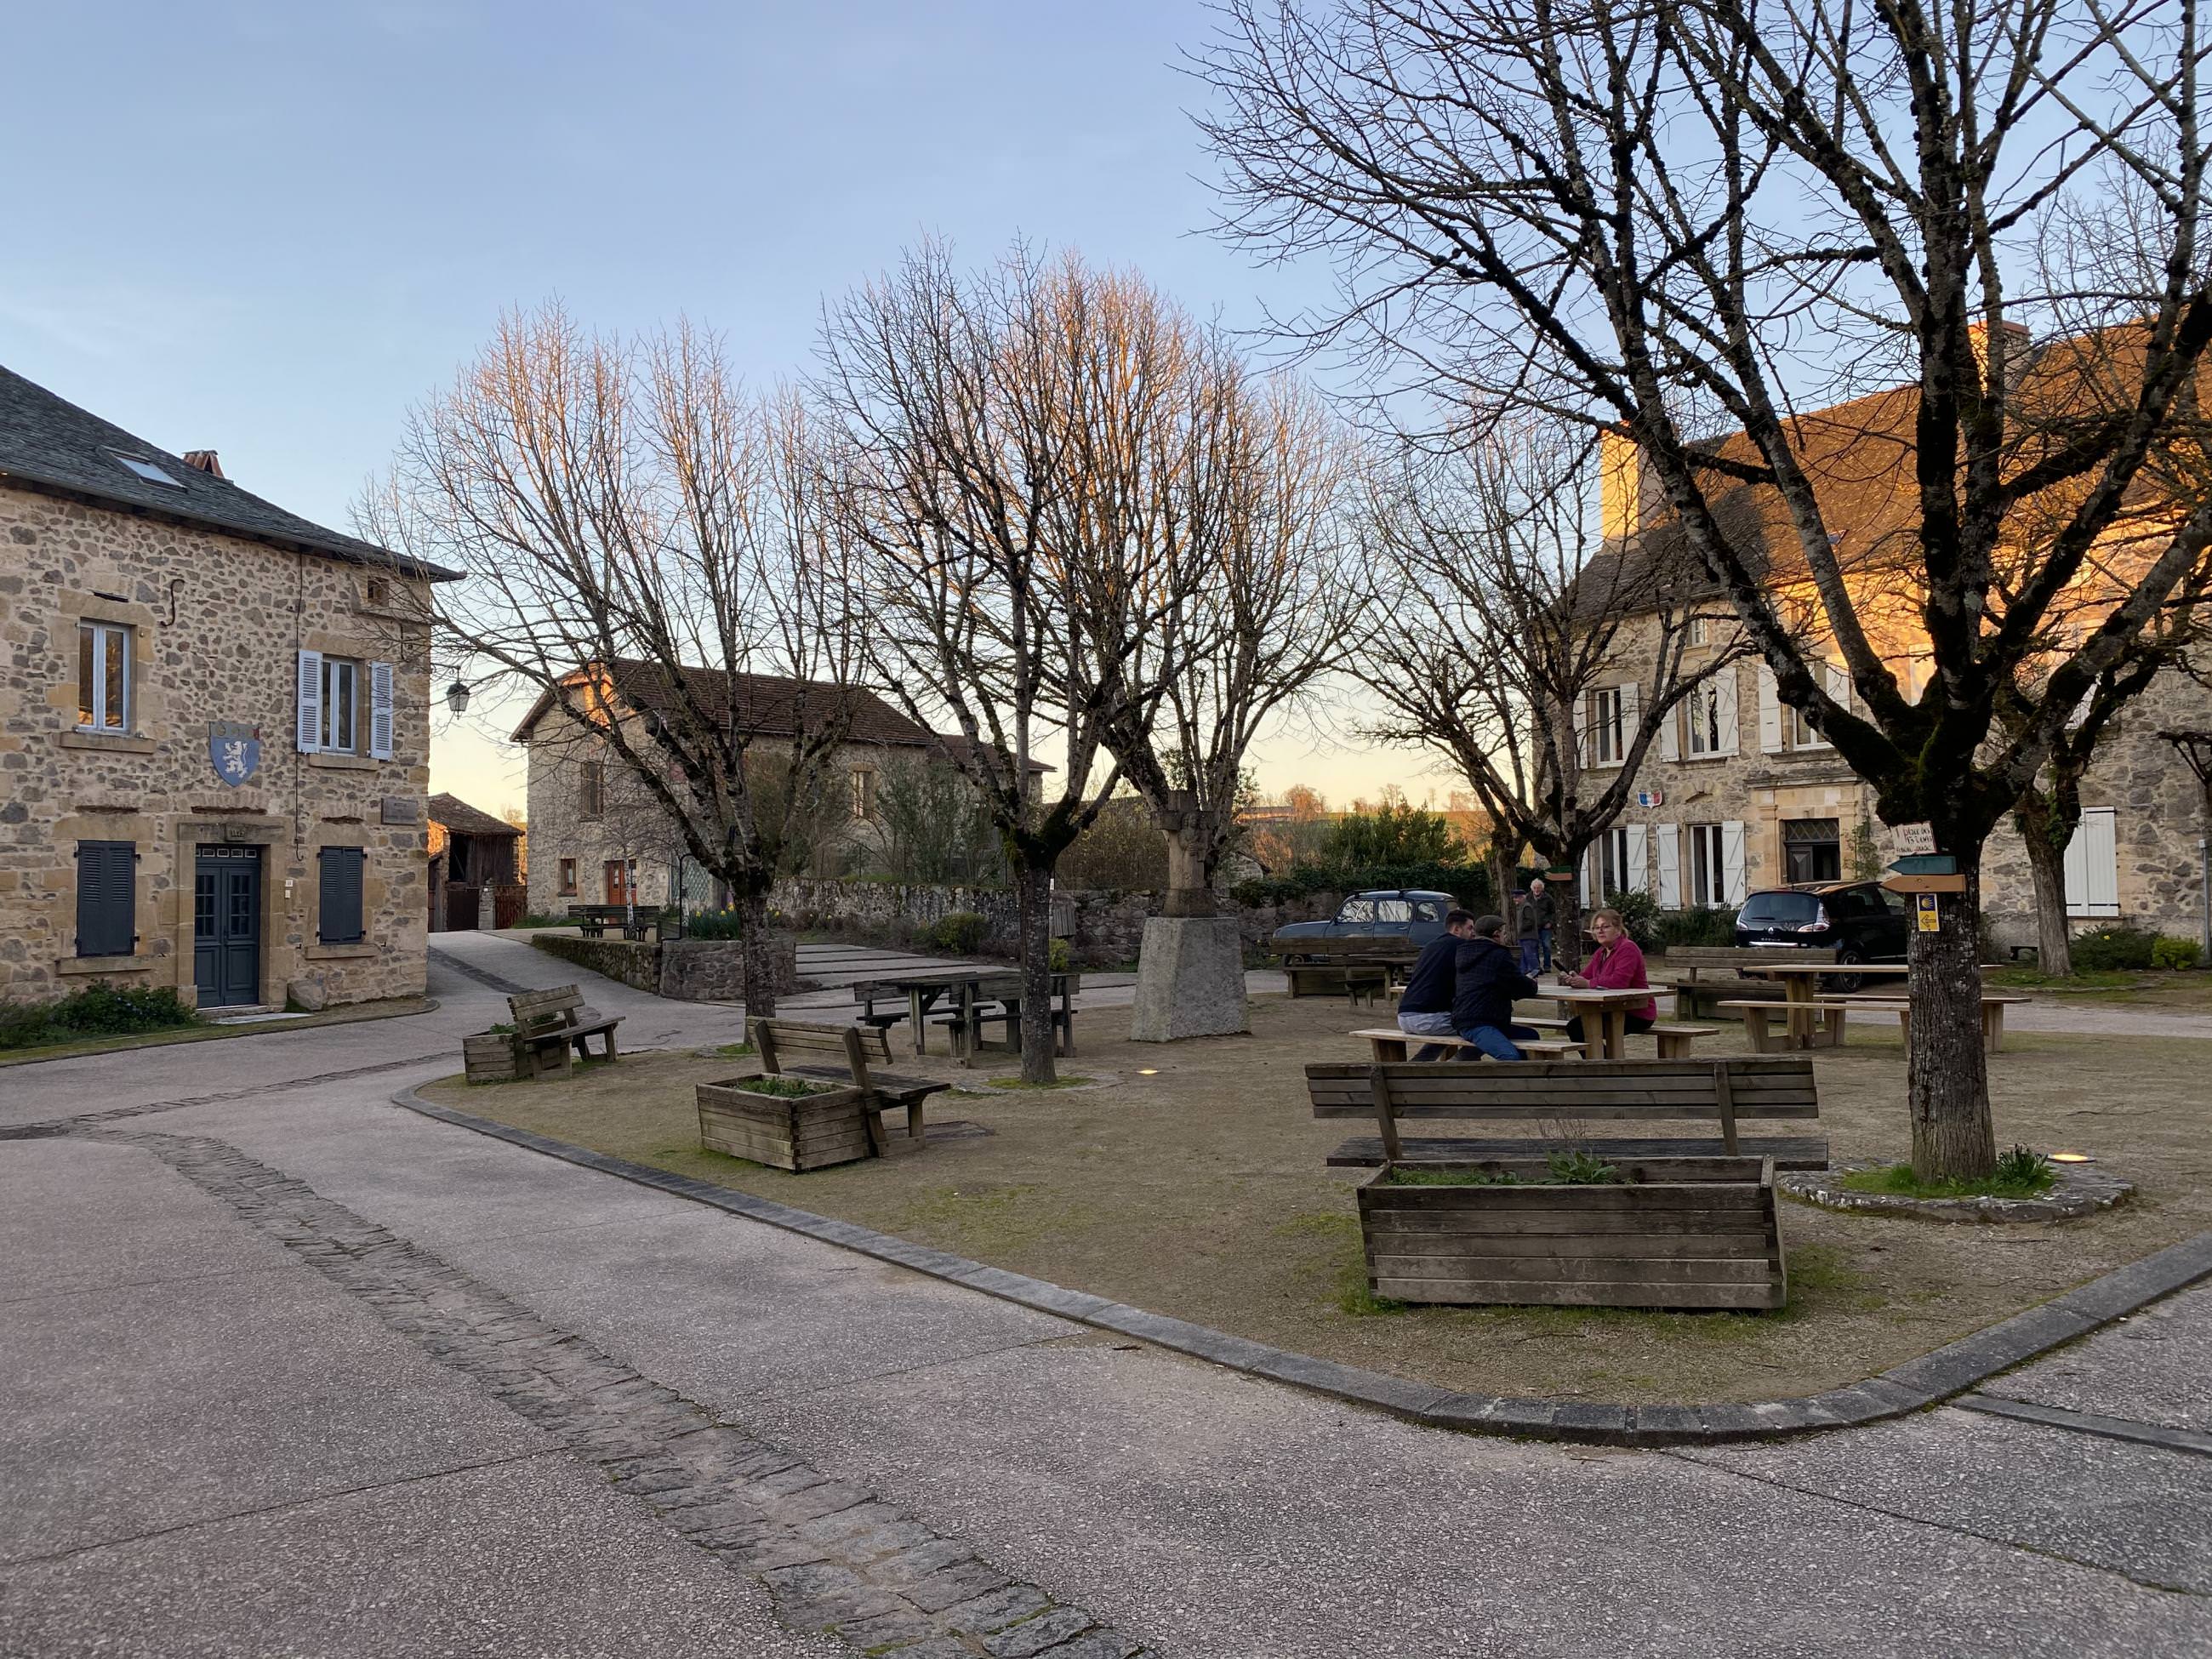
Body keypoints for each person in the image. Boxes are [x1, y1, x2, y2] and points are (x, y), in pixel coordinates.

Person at [1560, 907, 1658, 1048]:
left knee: (1578, 1027)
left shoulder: (1628, 948)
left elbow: (1619, 981)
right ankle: (1602, 1063)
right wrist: (1574, 979)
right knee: (1578, 1026)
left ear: (1618, 930)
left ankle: (1603, 1065)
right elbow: (1586, 976)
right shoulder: (1601, 952)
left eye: (1605, 927)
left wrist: (1587, 983)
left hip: (1636, 1012)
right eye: (1596, 927)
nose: (1600, 931)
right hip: (1610, 1009)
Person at [1453, 913, 1542, 1062]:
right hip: (1479, 1021)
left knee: (1530, 1036)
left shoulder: (1464, 953)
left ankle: (1528, 1079)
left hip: (1470, 1017)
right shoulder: (1498, 955)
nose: (1506, 937)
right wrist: (1530, 981)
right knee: (1510, 1057)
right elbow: (1523, 988)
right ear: (1496, 935)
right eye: (1504, 933)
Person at [1395, 909, 1479, 1060]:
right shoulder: (1462, 947)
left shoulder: (1430, 946)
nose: (1474, 932)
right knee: (1485, 1028)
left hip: (1404, 1016)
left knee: (1452, 1025)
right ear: (1457, 929)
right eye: (1470, 928)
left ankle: (1419, 1064)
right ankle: (1456, 1065)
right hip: (1429, 1019)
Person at [1516, 876, 1557, 975]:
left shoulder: (1548, 898)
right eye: (1534, 887)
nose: (1536, 890)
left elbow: (1553, 912)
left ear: (1542, 888)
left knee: (1547, 947)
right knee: (1534, 948)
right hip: (1533, 928)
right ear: (1531, 888)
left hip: (1545, 926)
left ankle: (1547, 966)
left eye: (1538, 887)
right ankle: (1537, 967)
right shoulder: (1528, 898)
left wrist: (1550, 922)